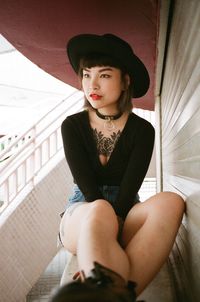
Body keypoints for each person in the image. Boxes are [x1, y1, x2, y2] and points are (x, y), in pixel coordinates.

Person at [50, 33, 185, 301]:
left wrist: (118, 218)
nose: (92, 84)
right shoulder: (72, 125)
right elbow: (86, 185)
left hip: (125, 210)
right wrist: (108, 219)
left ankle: (106, 288)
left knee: (171, 201)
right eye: (87, 75)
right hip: (82, 214)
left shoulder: (143, 130)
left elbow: (130, 186)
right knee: (99, 208)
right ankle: (107, 283)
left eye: (105, 75)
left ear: (126, 80)